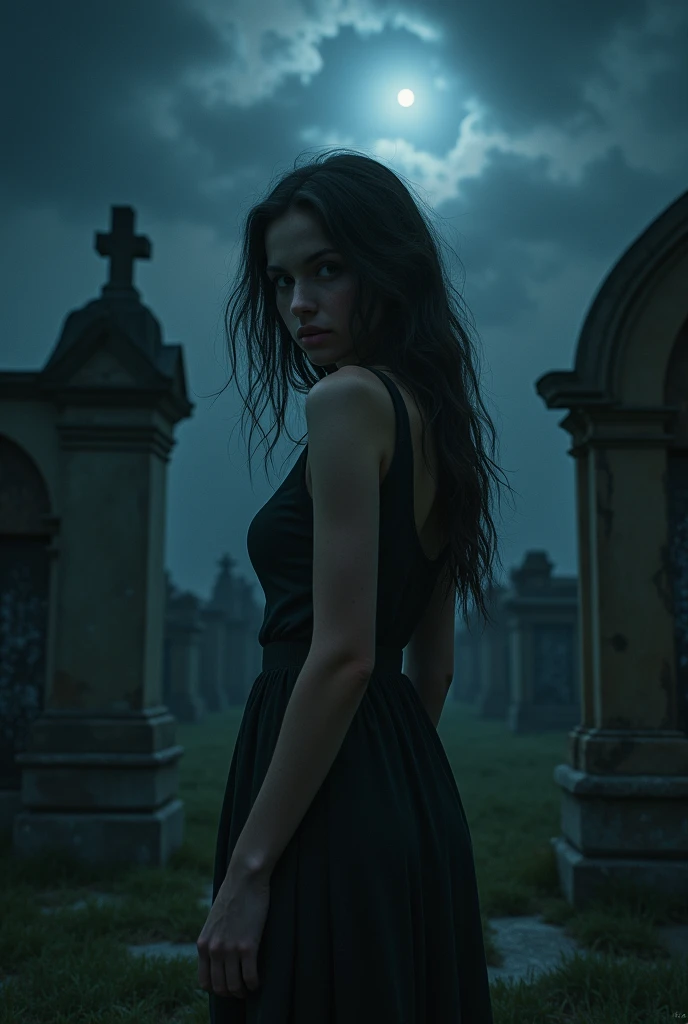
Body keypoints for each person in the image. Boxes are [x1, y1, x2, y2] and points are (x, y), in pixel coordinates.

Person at [199, 148, 514, 1022]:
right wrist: (388, 783)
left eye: (327, 270)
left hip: (321, 790)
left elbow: (340, 656)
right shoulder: (440, 422)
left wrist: (249, 871)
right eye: (281, 279)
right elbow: (433, 670)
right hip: (407, 789)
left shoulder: (344, 402)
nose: (300, 303)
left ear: (387, 268)